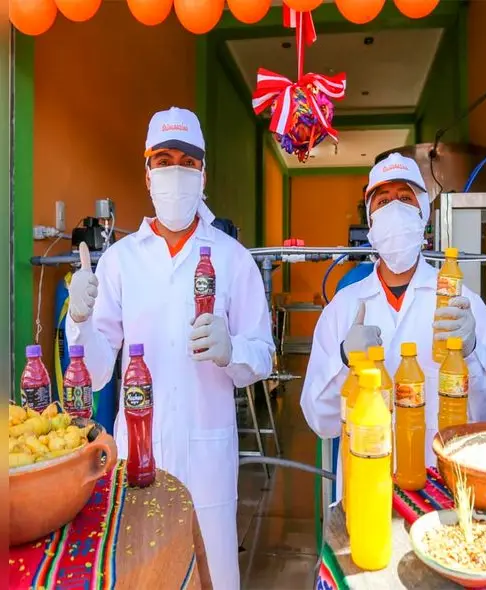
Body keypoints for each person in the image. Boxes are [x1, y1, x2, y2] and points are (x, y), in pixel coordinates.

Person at [66, 107, 275, 590]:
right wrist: (78, 321)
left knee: (213, 575)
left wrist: (232, 350)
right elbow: (97, 373)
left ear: (204, 173)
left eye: (186, 161)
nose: (174, 171)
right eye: (163, 160)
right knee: (141, 573)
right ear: (146, 173)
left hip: (209, 454)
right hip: (139, 455)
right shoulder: (120, 261)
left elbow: (261, 356)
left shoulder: (232, 259)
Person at [300, 152, 486, 502]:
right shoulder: (343, 308)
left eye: (405, 199)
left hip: (444, 489)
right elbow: (320, 420)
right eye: (383, 201)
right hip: (364, 488)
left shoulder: (462, 304)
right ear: (371, 222)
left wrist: (470, 356)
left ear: (422, 215)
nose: (394, 210)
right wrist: (345, 358)